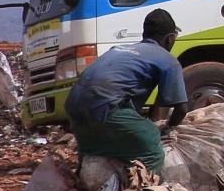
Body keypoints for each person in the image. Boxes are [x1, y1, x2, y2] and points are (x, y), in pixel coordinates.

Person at [64, 9, 187, 173]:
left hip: (74, 107)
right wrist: (169, 127)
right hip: (106, 107)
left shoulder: (119, 49)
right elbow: (181, 109)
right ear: (170, 38)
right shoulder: (167, 60)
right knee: (152, 149)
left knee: (93, 152)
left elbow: (155, 102)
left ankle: (85, 189)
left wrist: (148, 122)